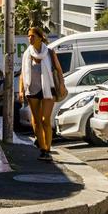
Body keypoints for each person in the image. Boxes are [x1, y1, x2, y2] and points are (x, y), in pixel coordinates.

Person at [19, 26, 64, 160]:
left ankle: (47, 150)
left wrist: (61, 84)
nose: (30, 39)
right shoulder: (27, 54)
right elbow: (23, 74)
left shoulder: (49, 52)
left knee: (45, 120)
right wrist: (21, 91)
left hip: (48, 89)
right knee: (37, 121)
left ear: (40, 37)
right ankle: (42, 146)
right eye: (28, 36)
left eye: (32, 36)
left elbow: (58, 70)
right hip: (32, 89)